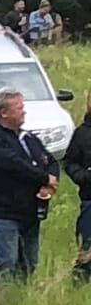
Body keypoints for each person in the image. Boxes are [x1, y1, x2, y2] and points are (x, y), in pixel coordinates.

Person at [0, 87, 58, 286]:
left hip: (30, 211)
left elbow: (52, 161)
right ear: (4, 113)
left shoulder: (28, 137)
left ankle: (20, 301)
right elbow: (15, 165)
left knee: (29, 263)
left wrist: (51, 181)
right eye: (19, 108)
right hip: (3, 212)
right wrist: (44, 178)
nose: (24, 111)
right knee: (6, 262)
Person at [62, 99, 91, 284]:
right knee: (87, 249)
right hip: (90, 200)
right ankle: (79, 285)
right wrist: (83, 176)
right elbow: (70, 162)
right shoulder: (83, 133)